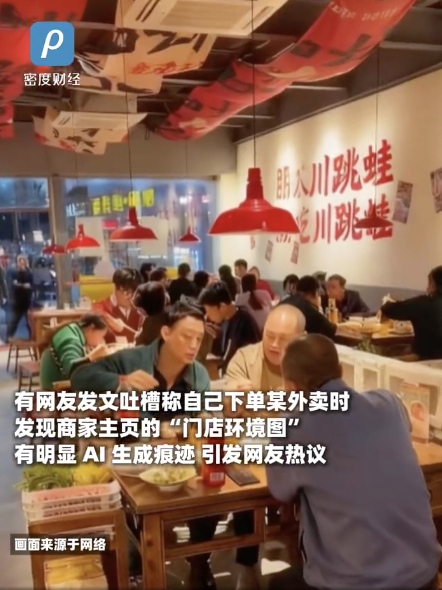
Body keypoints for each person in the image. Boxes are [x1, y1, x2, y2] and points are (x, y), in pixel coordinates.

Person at [267, 333, 441, 590]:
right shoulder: (389, 404)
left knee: (278, 584)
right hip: (424, 575)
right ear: (340, 370)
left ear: (291, 388)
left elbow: (281, 491)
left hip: (357, 583)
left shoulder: (292, 428)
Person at [71, 302, 213, 590]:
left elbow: (201, 419)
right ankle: (136, 568)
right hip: (132, 459)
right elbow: (79, 378)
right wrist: (121, 381)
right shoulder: (132, 360)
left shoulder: (198, 375)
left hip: (179, 462)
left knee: (212, 490)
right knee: (122, 504)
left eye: (199, 338)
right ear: (166, 333)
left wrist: (197, 424)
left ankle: (199, 560)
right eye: (186, 336)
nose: (193, 345)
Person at [193, 305, 307, 590]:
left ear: (302, 338)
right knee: (233, 489)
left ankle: (305, 564)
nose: (274, 344)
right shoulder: (246, 357)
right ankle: (241, 565)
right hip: (248, 452)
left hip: (295, 455)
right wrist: (234, 401)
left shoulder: (310, 363)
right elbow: (231, 411)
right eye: (269, 335)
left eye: (283, 338)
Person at [381, 265, 442, 360]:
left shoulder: (425, 302)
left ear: (433, 285)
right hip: (436, 360)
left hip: (425, 360)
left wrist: (388, 301)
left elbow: (389, 309)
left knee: (386, 353)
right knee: (404, 348)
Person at [199, 281, 260, 371]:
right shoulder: (225, 320)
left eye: (208, 311)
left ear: (222, 307)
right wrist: (217, 337)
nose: (206, 316)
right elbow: (223, 353)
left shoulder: (245, 322)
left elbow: (250, 358)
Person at [40, 314, 108, 390]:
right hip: (56, 389)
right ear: (91, 328)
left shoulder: (73, 331)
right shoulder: (70, 338)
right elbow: (73, 370)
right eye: (101, 336)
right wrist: (92, 357)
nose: (101, 340)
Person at [94, 268, 143, 343]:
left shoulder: (140, 310)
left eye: (134, 293)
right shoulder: (100, 309)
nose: (131, 297)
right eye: (127, 292)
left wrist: (124, 329)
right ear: (114, 287)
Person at [7, 255, 33, 340]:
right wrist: (23, 285)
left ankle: (33, 337)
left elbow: (31, 285)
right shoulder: (13, 272)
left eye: (23, 261)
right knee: (13, 322)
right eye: (20, 262)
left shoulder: (29, 272)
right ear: (17, 262)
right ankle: (8, 338)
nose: (22, 263)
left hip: (27, 301)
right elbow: (13, 285)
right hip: (17, 302)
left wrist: (24, 286)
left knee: (30, 322)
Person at [133, 281, 168, 346]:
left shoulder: (150, 322)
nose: (138, 312)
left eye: (140, 309)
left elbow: (140, 345)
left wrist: (138, 337)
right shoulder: (168, 316)